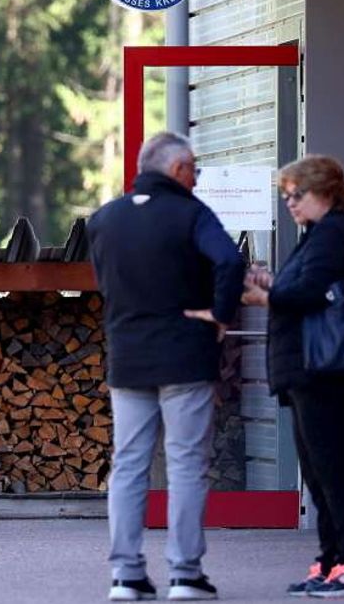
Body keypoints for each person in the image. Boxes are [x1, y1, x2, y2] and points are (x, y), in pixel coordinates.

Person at [87, 131, 244, 601]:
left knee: (129, 465)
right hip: (184, 357)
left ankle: (126, 576)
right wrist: (219, 313)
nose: (196, 178)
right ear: (176, 170)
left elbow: (104, 282)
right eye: (194, 169)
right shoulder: (191, 214)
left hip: (128, 355)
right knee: (186, 465)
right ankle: (184, 574)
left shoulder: (104, 220)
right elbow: (230, 262)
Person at [240, 155, 344, 599]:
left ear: (323, 191)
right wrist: (273, 287)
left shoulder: (334, 232)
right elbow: (304, 289)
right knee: (319, 472)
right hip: (312, 372)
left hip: (325, 373)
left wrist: (267, 293)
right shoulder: (320, 235)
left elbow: (304, 293)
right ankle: (332, 559)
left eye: (296, 194)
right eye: (285, 196)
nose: (289, 203)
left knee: (333, 470)